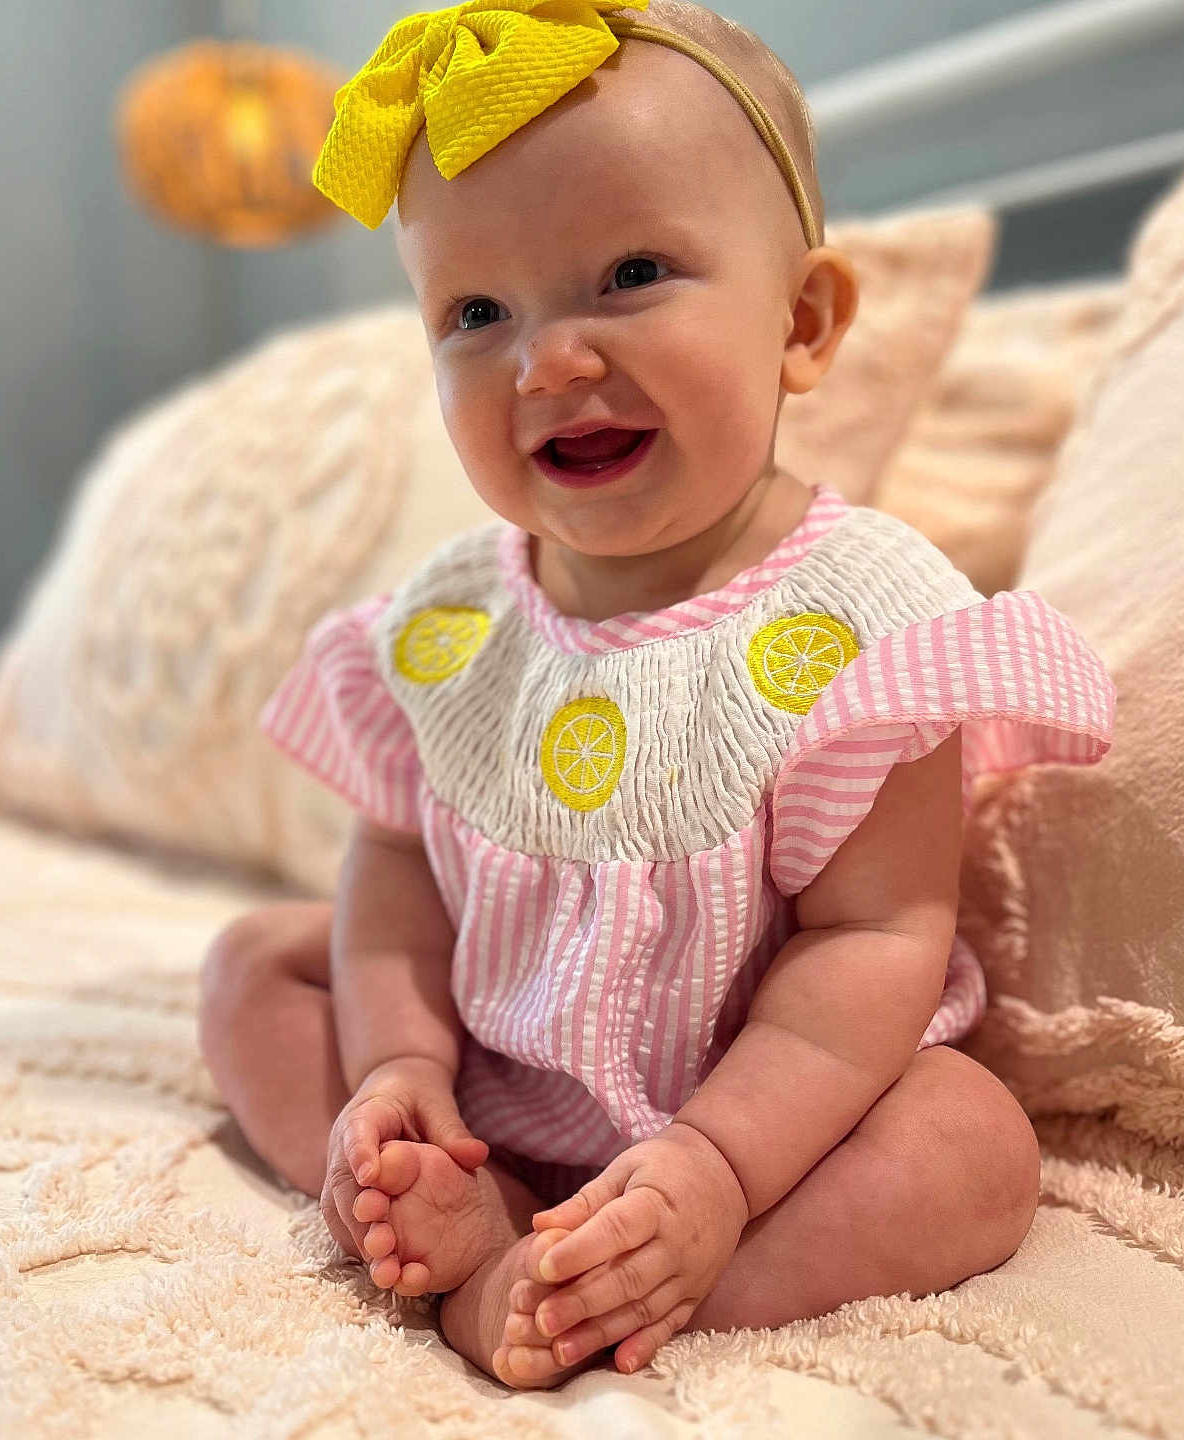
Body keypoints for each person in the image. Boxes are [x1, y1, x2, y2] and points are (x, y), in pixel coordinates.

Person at [198, 0, 1114, 1391]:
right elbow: (395, 873)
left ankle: (612, 1285)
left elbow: (873, 943)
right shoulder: (452, 623)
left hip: (769, 1118)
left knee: (972, 1144)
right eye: (476, 311)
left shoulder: (859, 619)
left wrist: (716, 1169)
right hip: (488, 1096)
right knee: (254, 966)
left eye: (629, 272)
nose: (547, 360)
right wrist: (398, 1075)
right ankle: (436, 1207)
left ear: (802, 322)